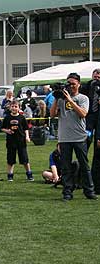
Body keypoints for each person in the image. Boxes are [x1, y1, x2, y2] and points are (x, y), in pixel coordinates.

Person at [49, 72, 97, 201]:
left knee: (84, 165)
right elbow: (52, 114)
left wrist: (70, 100)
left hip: (79, 137)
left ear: (79, 85)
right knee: (65, 168)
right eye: (69, 83)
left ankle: (89, 191)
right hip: (64, 138)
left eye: (73, 84)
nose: (71, 86)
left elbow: (83, 114)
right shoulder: (60, 99)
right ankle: (67, 192)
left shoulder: (83, 98)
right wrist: (56, 98)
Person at [1, 100, 34, 182]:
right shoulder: (7, 117)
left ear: (19, 108)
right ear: (10, 107)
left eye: (16, 106)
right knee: (10, 159)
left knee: (24, 159)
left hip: (21, 141)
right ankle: (10, 175)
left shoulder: (22, 118)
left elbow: (26, 128)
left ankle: (29, 174)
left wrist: (27, 137)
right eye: (12, 106)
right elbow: (2, 128)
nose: (14, 108)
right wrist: (7, 131)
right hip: (11, 141)